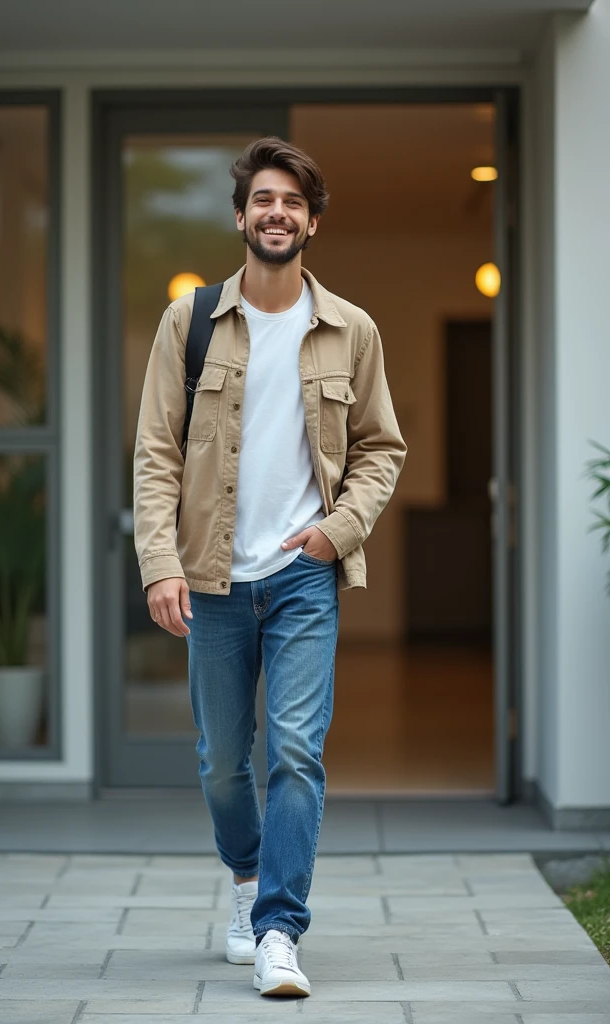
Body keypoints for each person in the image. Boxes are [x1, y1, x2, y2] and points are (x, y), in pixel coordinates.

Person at [133, 137, 407, 998]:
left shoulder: (351, 329)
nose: (276, 213)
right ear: (242, 217)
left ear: (312, 221)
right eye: (262, 200)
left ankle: (279, 929)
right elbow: (155, 454)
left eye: (292, 201)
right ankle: (248, 878)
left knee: (295, 749)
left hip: (302, 578)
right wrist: (159, 563)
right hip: (212, 579)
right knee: (222, 760)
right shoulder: (191, 322)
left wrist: (339, 530)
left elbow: (380, 448)